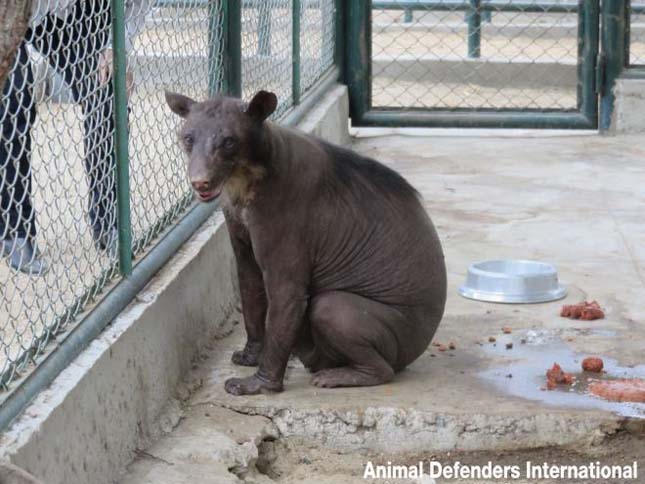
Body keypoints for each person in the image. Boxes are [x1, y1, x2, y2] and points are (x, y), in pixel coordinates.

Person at [0, 0, 152, 275]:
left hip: (80, 14)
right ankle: (15, 229)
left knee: (107, 91)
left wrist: (115, 46)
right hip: (11, 11)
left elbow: (138, 4)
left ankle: (108, 221)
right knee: (14, 101)